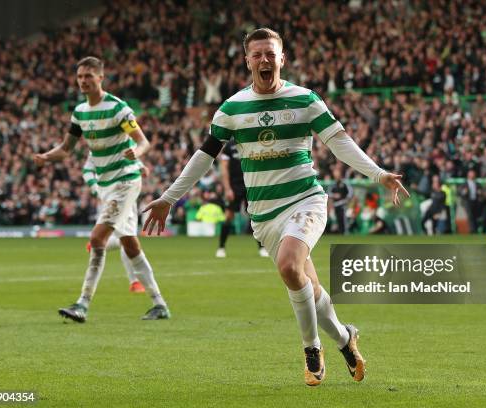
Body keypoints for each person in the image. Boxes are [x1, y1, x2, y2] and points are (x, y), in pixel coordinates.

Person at [142, 28, 409, 386]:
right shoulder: (232, 108)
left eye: (271, 54)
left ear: (282, 58)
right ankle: (346, 339)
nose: (265, 60)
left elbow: (339, 141)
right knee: (307, 286)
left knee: (288, 265)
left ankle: (312, 349)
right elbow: (205, 156)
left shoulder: (304, 100)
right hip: (264, 214)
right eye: (258, 55)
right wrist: (169, 197)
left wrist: (378, 174)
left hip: (305, 200)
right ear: (247, 60)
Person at [33, 56, 170, 322]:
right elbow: (65, 149)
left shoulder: (118, 108)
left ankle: (82, 303)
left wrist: (137, 152)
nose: (83, 81)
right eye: (80, 76)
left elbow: (143, 142)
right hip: (107, 185)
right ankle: (159, 304)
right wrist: (46, 157)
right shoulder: (80, 113)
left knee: (97, 239)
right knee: (130, 244)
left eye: (88, 76)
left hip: (126, 180)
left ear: (100, 78)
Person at [82, 154, 145, 293]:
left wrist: (142, 168)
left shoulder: (124, 144)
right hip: (111, 196)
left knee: (127, 237)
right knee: (127, 237)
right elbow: (87, 171)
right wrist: (96, 188)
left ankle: (99, 242)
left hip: (128, 194)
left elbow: (137, 163)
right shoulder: (97, 148)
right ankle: (135, 282)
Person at [217, 139, 269, 258]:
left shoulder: (251, 142)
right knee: (229, 216)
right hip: (234, 186)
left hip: (251, 184)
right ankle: (221, 247)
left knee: (255, 215)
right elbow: (224, 168)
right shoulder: (229, 146)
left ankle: (262, 248)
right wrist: (227, 188)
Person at [328, 167, 353, 234]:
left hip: (343, 204)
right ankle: (341, 232)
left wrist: (347, 201)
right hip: (336, 204)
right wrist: (334, 195)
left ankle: (346, 233)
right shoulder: (333, 185)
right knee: (338, 219)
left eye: (337, 173)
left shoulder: (345, 184)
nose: (336, 175)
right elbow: (329, 193)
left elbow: (350, 193)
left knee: (343, 219)